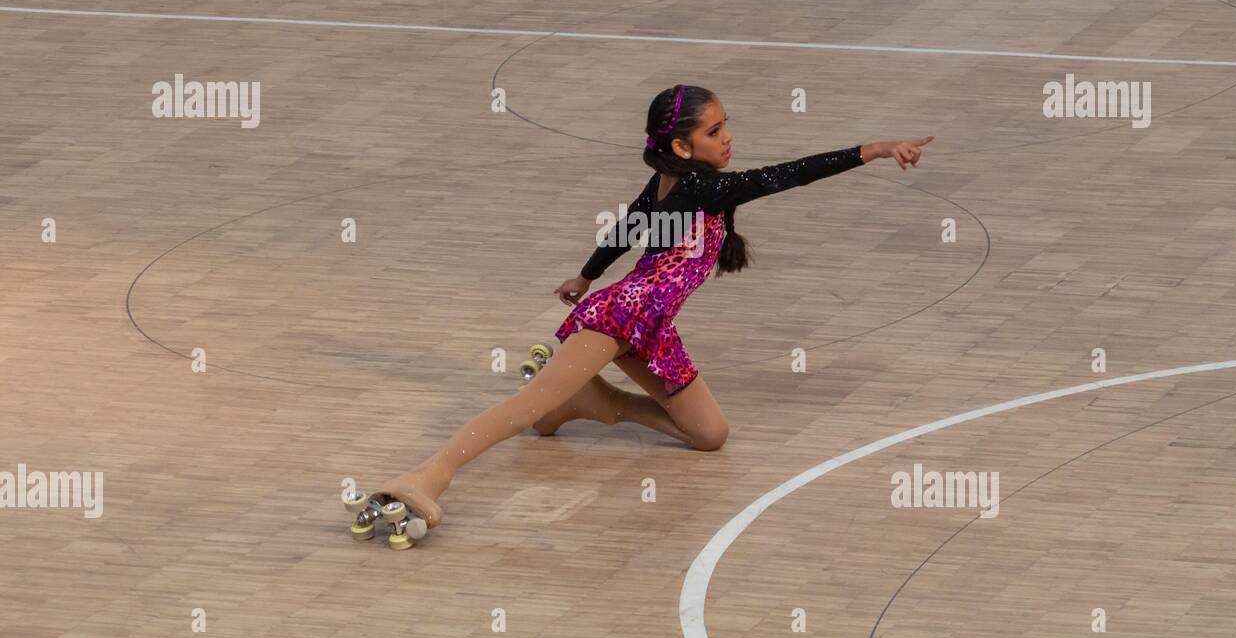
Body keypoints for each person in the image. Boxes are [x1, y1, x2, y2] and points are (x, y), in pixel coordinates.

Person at [371, 83, 933, 534]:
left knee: (710, 435)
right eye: (715, 131)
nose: (728, 137)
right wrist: (874, 150)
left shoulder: (672, 181)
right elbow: (786, 176)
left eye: (725, 124)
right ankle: (426, 477)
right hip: (621, 314)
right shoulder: (699, 189)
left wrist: (586, 274)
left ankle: (595, 401)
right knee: (526, 404)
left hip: (652, 325)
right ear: (684, 147)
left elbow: (627, 230)